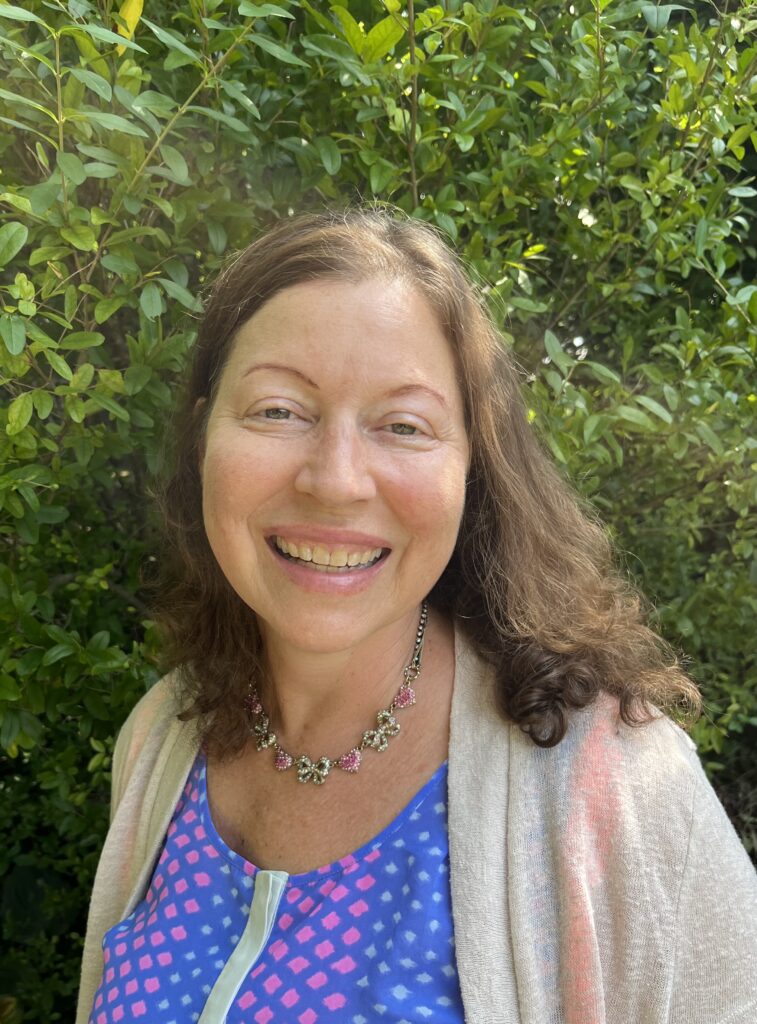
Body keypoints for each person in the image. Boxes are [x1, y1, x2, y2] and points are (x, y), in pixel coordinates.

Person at [77, 209, 757, 1024]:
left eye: (404, 425)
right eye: (278, 411)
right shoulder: (160, 741)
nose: (335, 480)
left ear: (474, 465)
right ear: (201, 443)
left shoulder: (608, 781)